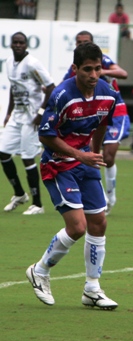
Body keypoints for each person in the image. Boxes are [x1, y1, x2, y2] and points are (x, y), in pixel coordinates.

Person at [26, 42, 122, 309]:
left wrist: (94, 153)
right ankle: (40, 270)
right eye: (87, 69)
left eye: (98, 69)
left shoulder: (107, 94)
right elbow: (46, 135)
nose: (93, 75)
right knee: (78, 227)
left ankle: (92, 289)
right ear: (75, 69)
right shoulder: (62, 95)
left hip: (85, 163)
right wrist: (81, 156)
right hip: (57, 165)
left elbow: (103, 123)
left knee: (99, 223)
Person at [63, 30, 130, 215]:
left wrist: (100, 70)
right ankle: (99, 197)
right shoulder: (75, 68)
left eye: (85, 41)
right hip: (94, 114)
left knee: (108, 158)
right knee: (93, 155)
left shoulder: (103, 60)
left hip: (116, 111)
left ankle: (111, 196)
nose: (81, 44)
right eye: (78, 42)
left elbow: (123, 73)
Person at [1, 32, 55, 215]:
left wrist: (40, 113)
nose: (18, 45)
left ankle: (38, 204)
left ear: (26, 45)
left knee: (27, 157)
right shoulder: (9, 62)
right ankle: (19, 194)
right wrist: (8, 112)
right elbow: (14, 88)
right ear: (11, 44)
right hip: (17, 116)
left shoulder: (33, 63)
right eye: (15, 42)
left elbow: (51, 87)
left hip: (32, 118)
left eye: (21, 42)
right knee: (2, 153)